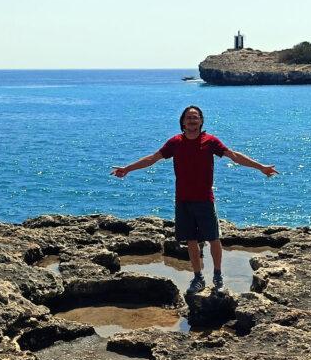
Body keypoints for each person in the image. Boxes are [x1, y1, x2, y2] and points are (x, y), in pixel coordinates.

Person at [110, 105, 278, 294]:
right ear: (183, 122)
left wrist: (261, 167)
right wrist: (127, 168)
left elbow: (235, 156)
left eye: (195, 117)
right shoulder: (175, 142)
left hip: (205, 199)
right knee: (191, 241)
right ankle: (198, 278)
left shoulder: (210, 141)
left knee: (213, 239)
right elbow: (152, 159)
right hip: (183, 200)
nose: (192, 120)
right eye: (189, 117)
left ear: (201, 121)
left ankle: (217, 276)